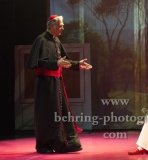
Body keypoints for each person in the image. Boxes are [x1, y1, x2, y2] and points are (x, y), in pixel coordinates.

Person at [26, 14, 92, 154]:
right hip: (45, 83)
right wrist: (55, 63)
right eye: (61, 25)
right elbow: (34, 63)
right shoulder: (41, 40)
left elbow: (64, 61)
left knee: (60, 113)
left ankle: (65, 144)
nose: (63, 27)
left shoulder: (56, 40)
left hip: (57, 82)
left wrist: (77, 64)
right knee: (47, 115)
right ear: (53, 25)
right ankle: (44, 146)